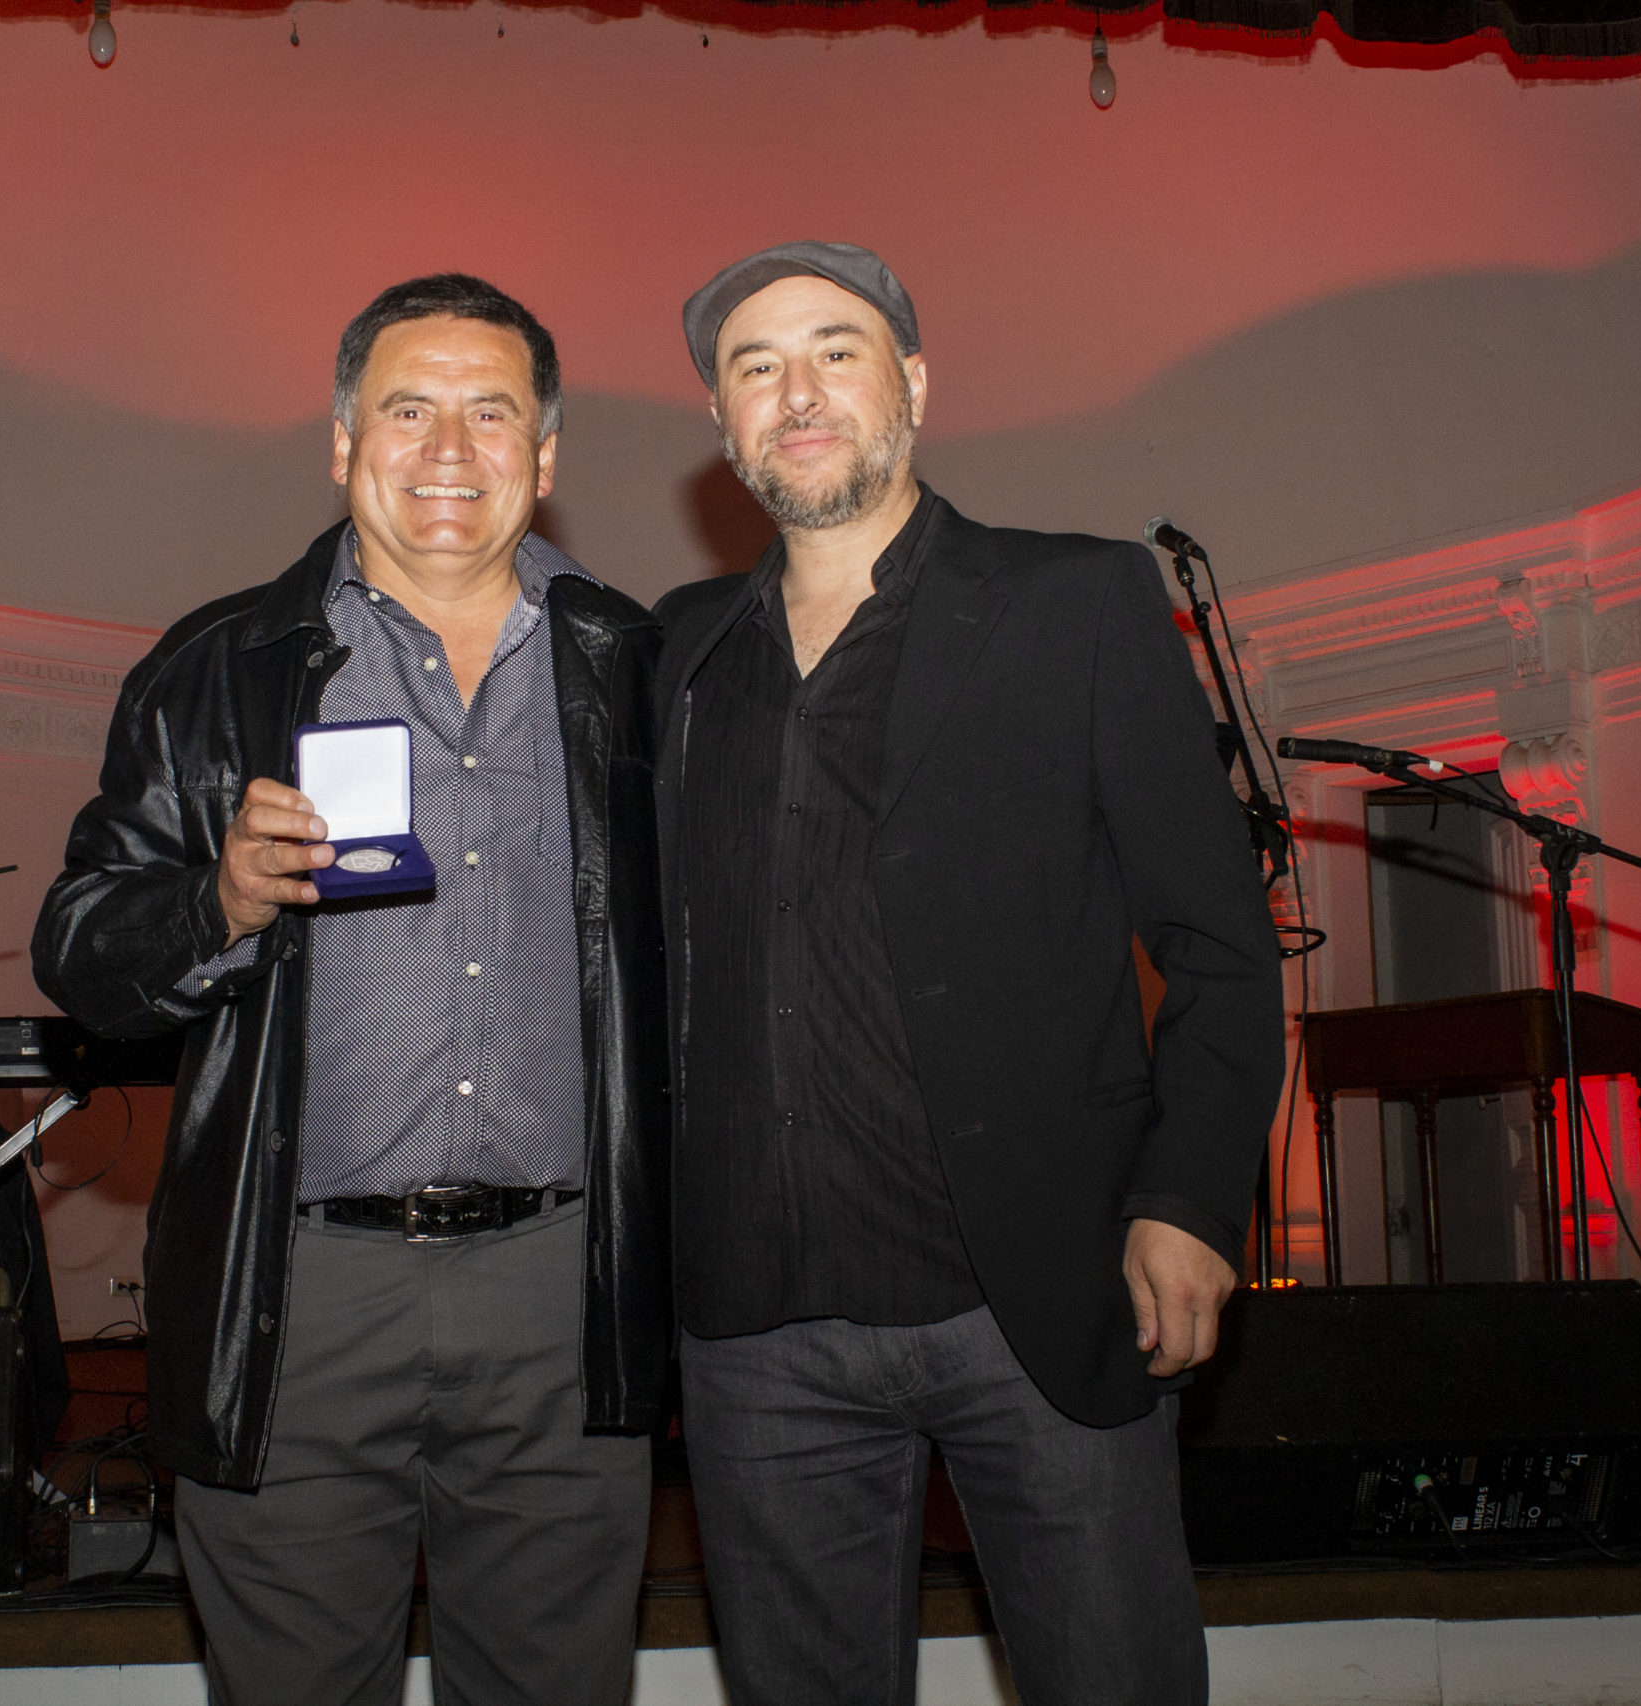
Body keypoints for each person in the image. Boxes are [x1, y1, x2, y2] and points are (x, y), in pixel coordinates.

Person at [653, 241, 1284, 1706]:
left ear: (915, 386)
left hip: (1043, 1293)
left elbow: (1219, 941)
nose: (798, 392)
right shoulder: (673, 653)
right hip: (757, 1327)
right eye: (756, 366)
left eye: (837, 351)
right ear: (721, 420)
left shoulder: (1079, 601)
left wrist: (1191, 1199)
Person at [32, 273, 667, 1706]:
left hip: (564, 1294)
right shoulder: (221, 668)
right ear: (341, 441)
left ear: (545, 456)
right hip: (298, 1300)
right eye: (407, 409)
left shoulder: (640, 668)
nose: (448, 448)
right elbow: (79, 950)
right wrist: (217, 901)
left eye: (490, 413)